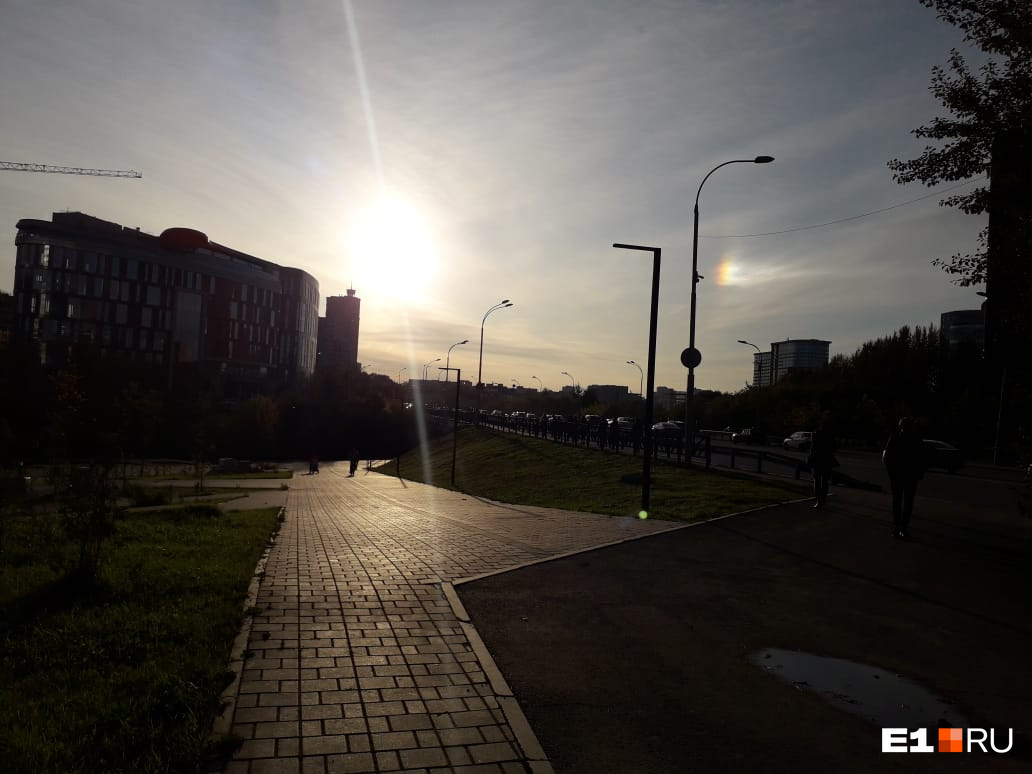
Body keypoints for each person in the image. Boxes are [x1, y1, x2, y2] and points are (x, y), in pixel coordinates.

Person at [882, 417, 926, 539]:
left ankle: (897, 527)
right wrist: (919, 474)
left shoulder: (895, 438)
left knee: (898, 501)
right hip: (909, 476)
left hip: (898, 476)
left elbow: (887, 459)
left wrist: (891, 473)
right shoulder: (916, 440)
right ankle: (903, 527)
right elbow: (922, 459)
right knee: (907, 503)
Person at [807, 427, 836, 509]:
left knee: (817, 480)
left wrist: (810, 461)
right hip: (826, 461)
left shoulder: (816, 436)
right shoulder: (829, 437)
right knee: (824, 481)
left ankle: (819, 500)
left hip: (817, 461)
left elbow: (812, 450)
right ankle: (822, 500)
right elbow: (834, 449)